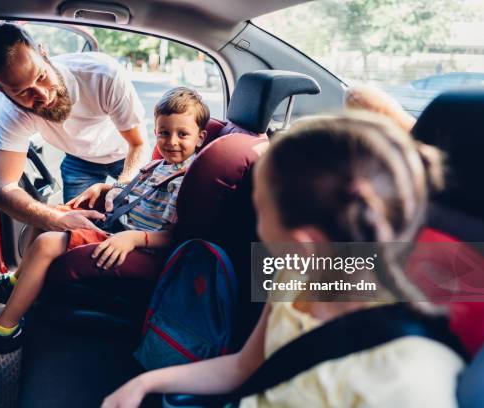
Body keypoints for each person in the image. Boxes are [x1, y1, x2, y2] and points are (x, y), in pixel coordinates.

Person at [101, 113, 464, 408]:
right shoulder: (293, 277)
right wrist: (145, 383)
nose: (256, 226)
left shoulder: (407, 384)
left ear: (304, 244)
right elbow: (246, 366)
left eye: (259, 210)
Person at [0, 88, 210, 364]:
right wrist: (106, 187)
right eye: (163, 133)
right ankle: (15, 282)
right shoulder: (160, 165)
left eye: (183, 134)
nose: (171, 142)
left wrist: (135, 239)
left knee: (48, 242)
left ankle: (3, 330)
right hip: (120, 224)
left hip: (140, 247)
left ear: (201, 137)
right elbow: (140, 194)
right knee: (51, 214)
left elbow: (181, 236)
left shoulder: (189, 179)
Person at [0, 22, 149, 234]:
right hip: (80, 161)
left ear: (43, 52)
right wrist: (56, 218)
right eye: (22, 93)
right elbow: (3, 188)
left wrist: (122, 187)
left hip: (126, 155)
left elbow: (138, 143)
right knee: (77, 230)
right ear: (1, 90)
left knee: (142, 220)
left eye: (41, 76)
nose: (43, 96)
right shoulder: (13, 114)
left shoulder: (103, 76)